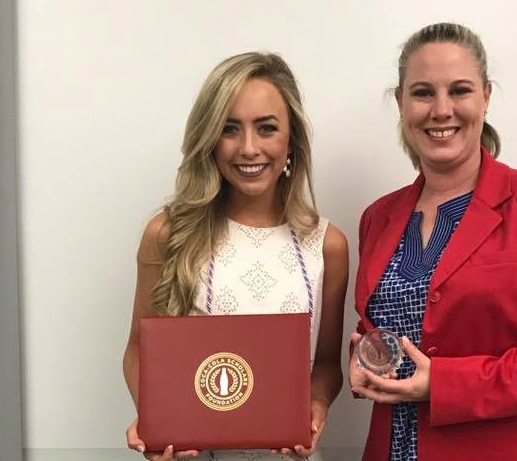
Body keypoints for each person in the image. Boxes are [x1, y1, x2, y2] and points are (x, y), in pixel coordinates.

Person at [349, 22, 517, 461]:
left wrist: (446, 384)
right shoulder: (378, 218)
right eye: (422, 93)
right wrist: (366, 357)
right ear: (400, 103)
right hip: (394, 449)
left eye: (460, 90)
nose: (441, 109)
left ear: (485, 97)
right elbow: (390, 328)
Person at [123, 52, 349, 461]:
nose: (248, 148)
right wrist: (157, 422)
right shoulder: (168, 233)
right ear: (208, 137)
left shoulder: (327, 244)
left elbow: (328, 365)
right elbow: (140, 350)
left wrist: (317, 407)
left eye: (266, 128)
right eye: (229, 129)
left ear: (291, 139)